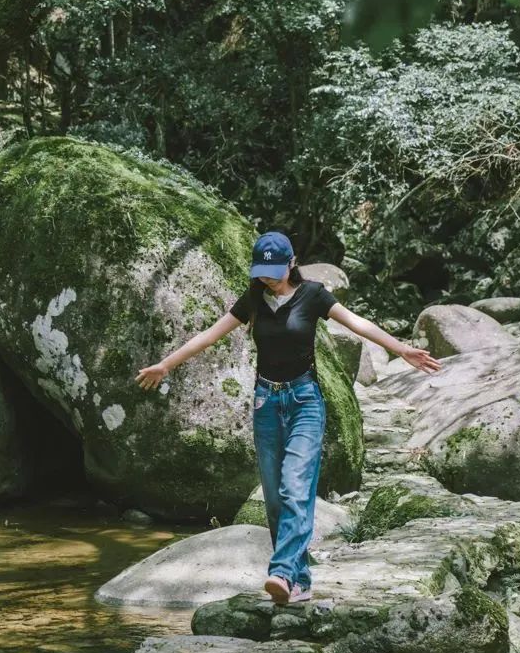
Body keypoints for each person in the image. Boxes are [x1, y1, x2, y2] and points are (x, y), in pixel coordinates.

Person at [135, 230, 442, 606]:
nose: (267, 277)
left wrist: (401, 349)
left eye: (274, 270)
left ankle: (280, 571)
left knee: (295, 487)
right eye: (261, 271)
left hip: (304, 402)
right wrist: (166, 365)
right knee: (274, 500)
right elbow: (210, 335)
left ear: (292, 263)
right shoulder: (253, 300)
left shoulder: (313, 295)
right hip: (266, 403)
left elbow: (357, 323)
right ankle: (299, 582)